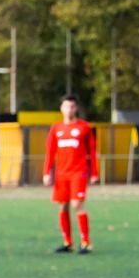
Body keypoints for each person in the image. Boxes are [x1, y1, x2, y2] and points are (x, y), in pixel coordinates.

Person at [44, 94, 99, 254]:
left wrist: (94, 172)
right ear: (61, 109)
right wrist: (47, 172)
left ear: (76, 109)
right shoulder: (56, 128)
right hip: (61, 174)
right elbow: (50, 152)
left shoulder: (84, 127)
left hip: (78, 172)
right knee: (63, 205)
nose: (69, 110)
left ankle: (85, 242)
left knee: (77, 204)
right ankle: (67, 242)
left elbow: (92, 151)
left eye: (72, 107)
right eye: (66, 106)